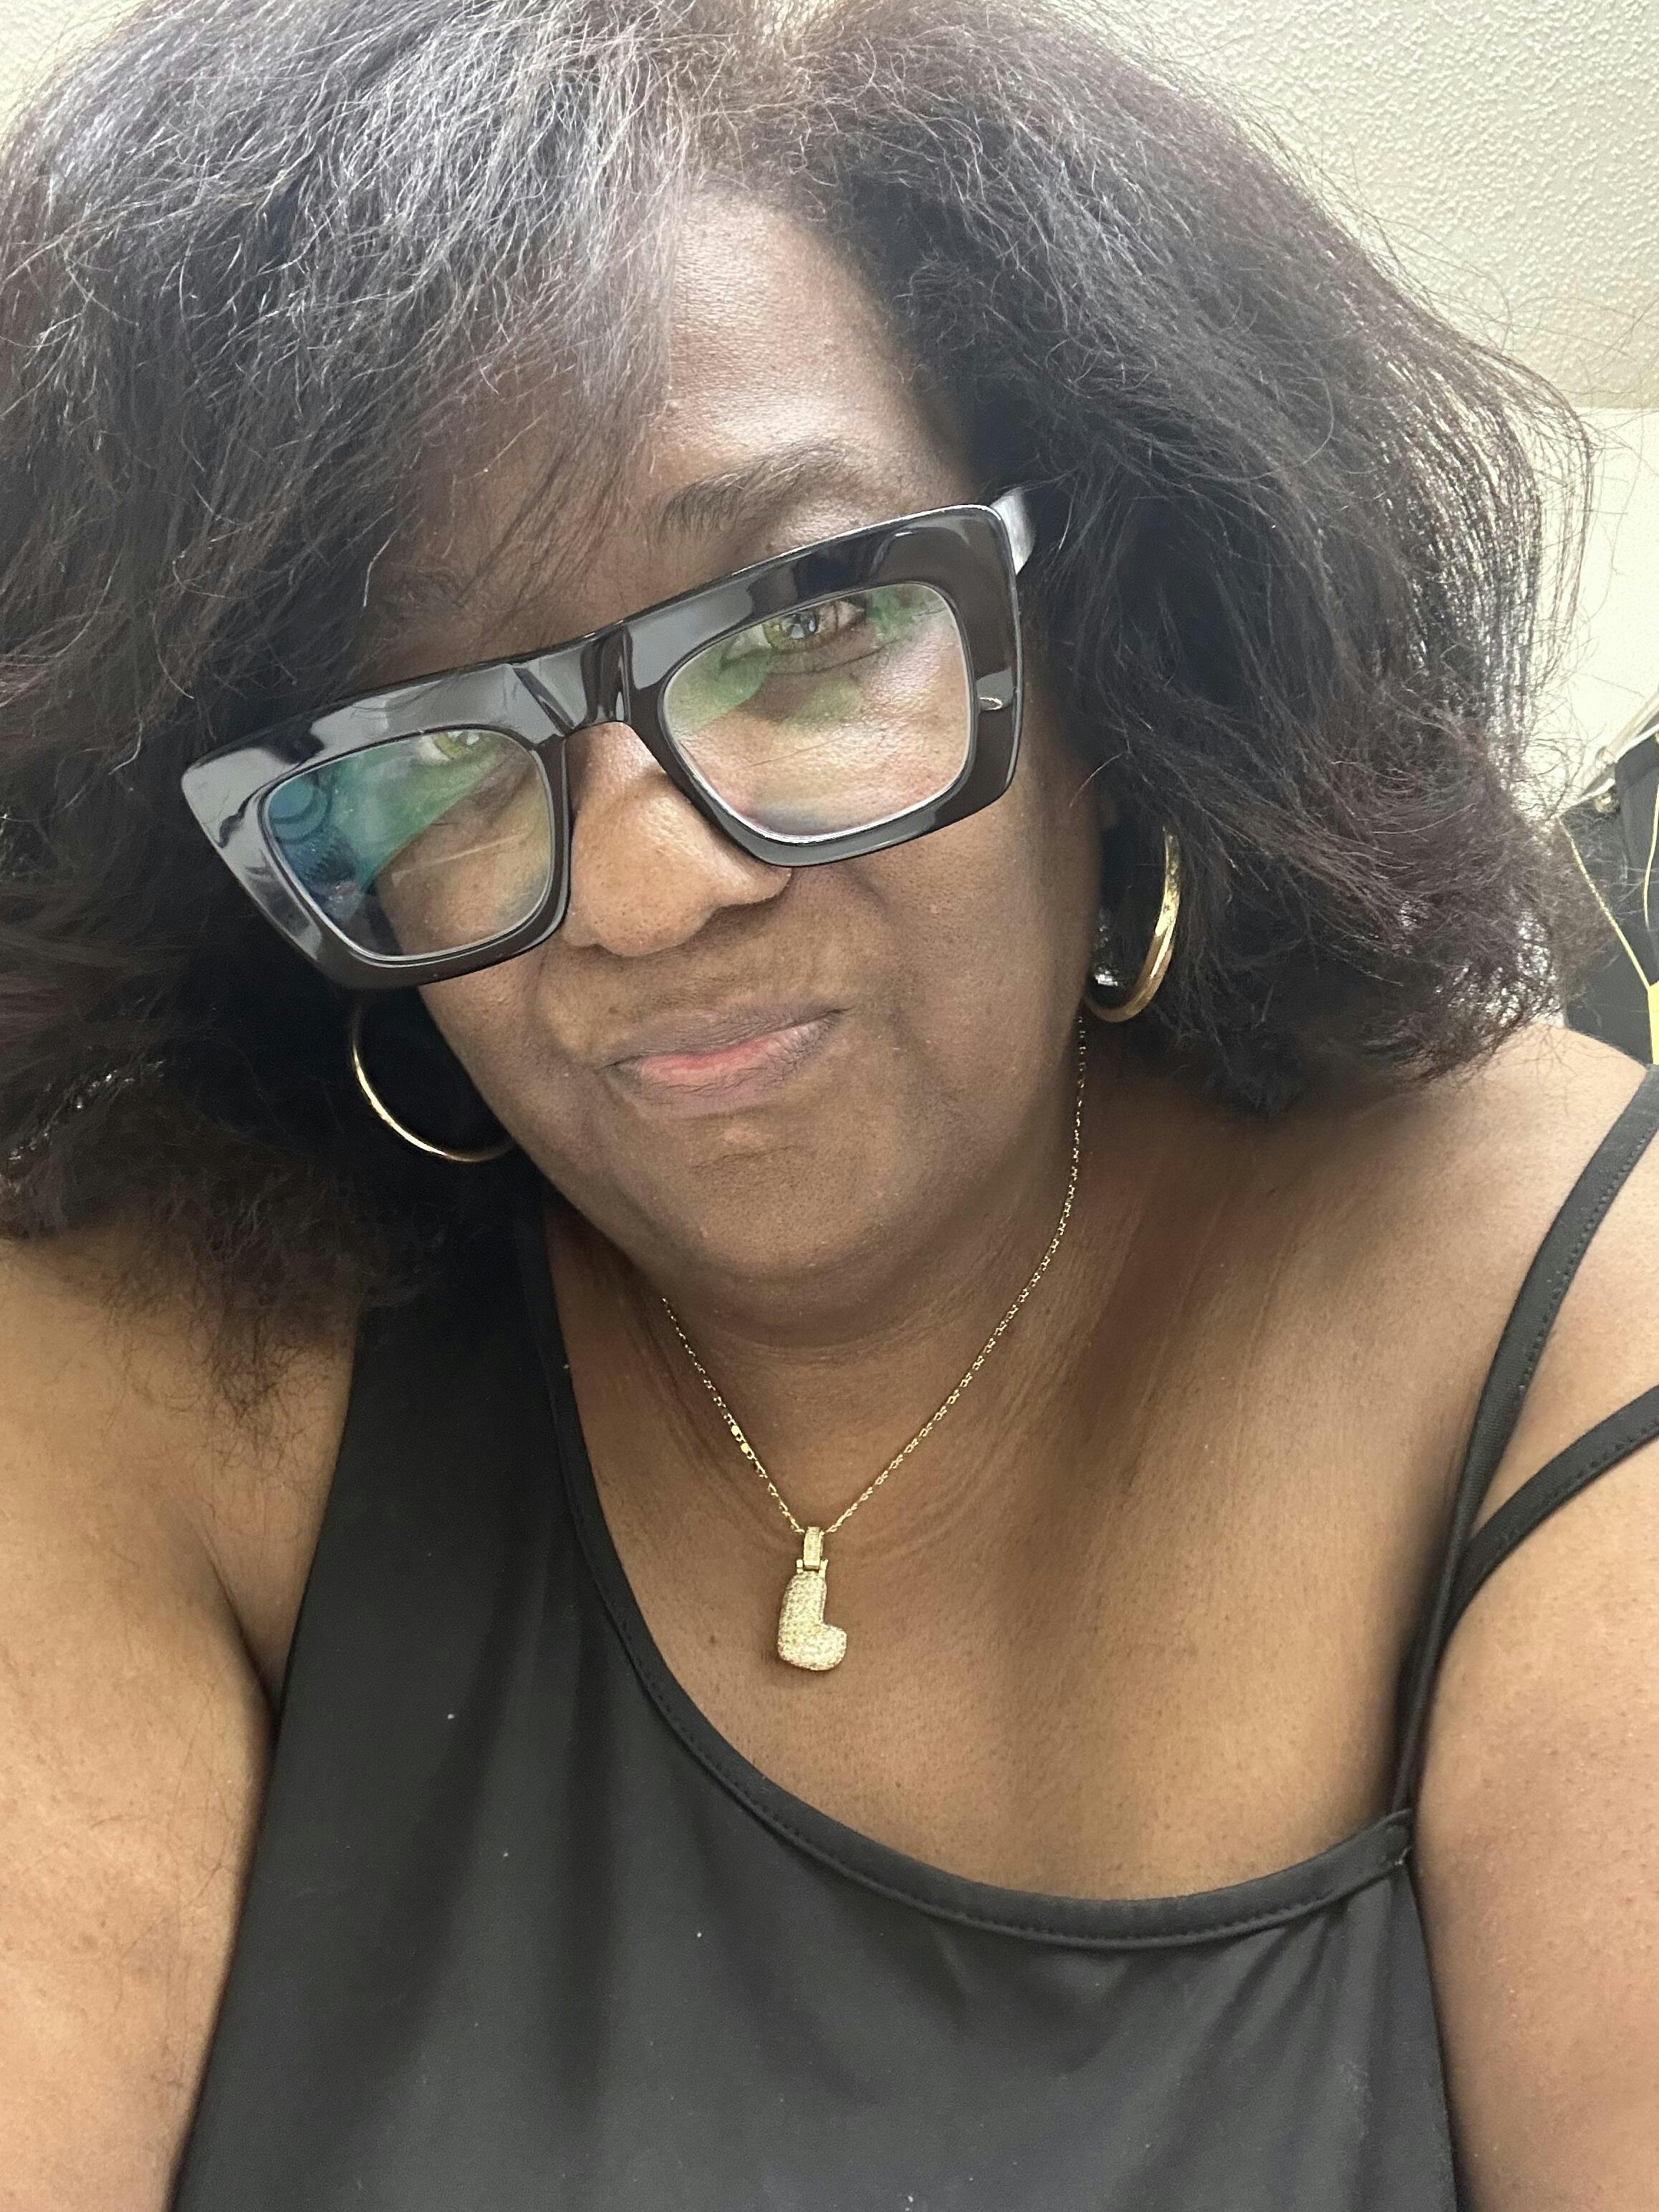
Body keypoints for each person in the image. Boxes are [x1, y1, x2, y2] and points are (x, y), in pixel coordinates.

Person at [1, 1, 1655, 2205]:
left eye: (798, 632)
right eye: (426, 746)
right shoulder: (152, 1358)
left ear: (1111, 620)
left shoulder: (1553, 1295)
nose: (649, 892)